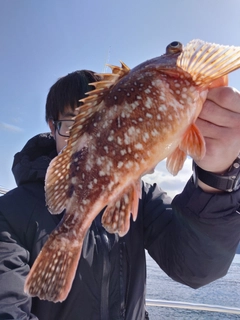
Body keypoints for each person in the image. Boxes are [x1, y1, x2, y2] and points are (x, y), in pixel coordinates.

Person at [0, 69, 240, 320]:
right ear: (52, 127)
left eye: (97, 122)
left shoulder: (143, 197)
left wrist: (217, 178)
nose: (85, 136)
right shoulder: (8, 213)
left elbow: (196, 267)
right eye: (73, 125)